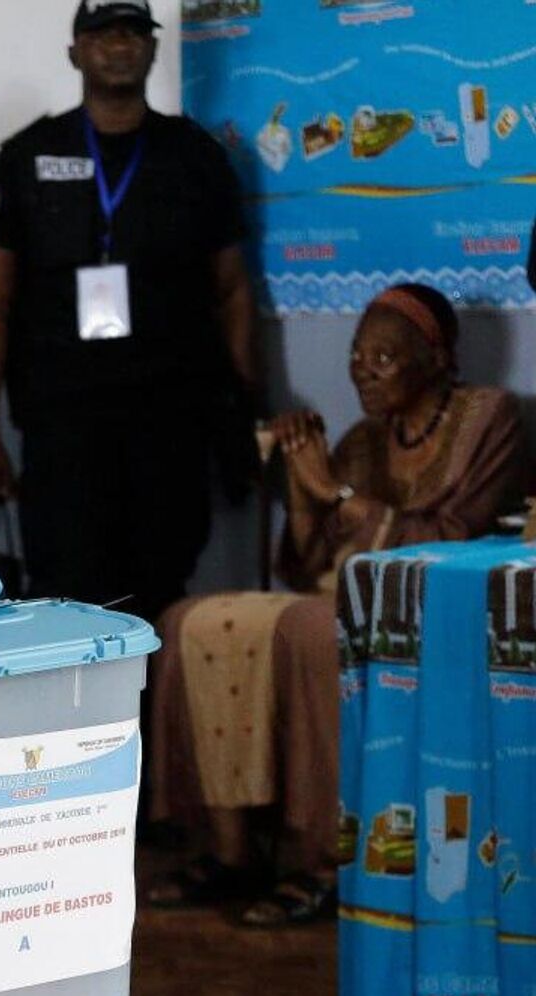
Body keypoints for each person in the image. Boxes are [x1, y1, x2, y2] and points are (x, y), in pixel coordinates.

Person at [146, 284, 526, 927]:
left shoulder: (487, 418)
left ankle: (325, 861)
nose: (362, 371)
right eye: (356, 355)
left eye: (384, 358)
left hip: (438, 604)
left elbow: (454, 537)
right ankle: (233, 852)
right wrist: (303, 486)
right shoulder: (362, 440)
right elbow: (303, 567)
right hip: (340, 595)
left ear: (435, 359)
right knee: (189, 621)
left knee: (311, 630)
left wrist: (339, 495)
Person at [0, 0, 255, 623]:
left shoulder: (196, 156)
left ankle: (156, 694)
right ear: (74, 52)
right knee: (67, 594)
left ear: (153, 49)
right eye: (103, 33)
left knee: (163, 591)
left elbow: (232, 290)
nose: (120, 45)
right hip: (63, 428)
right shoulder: (26, 159)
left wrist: (242, 411)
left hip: (171, 423)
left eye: (134, 32)